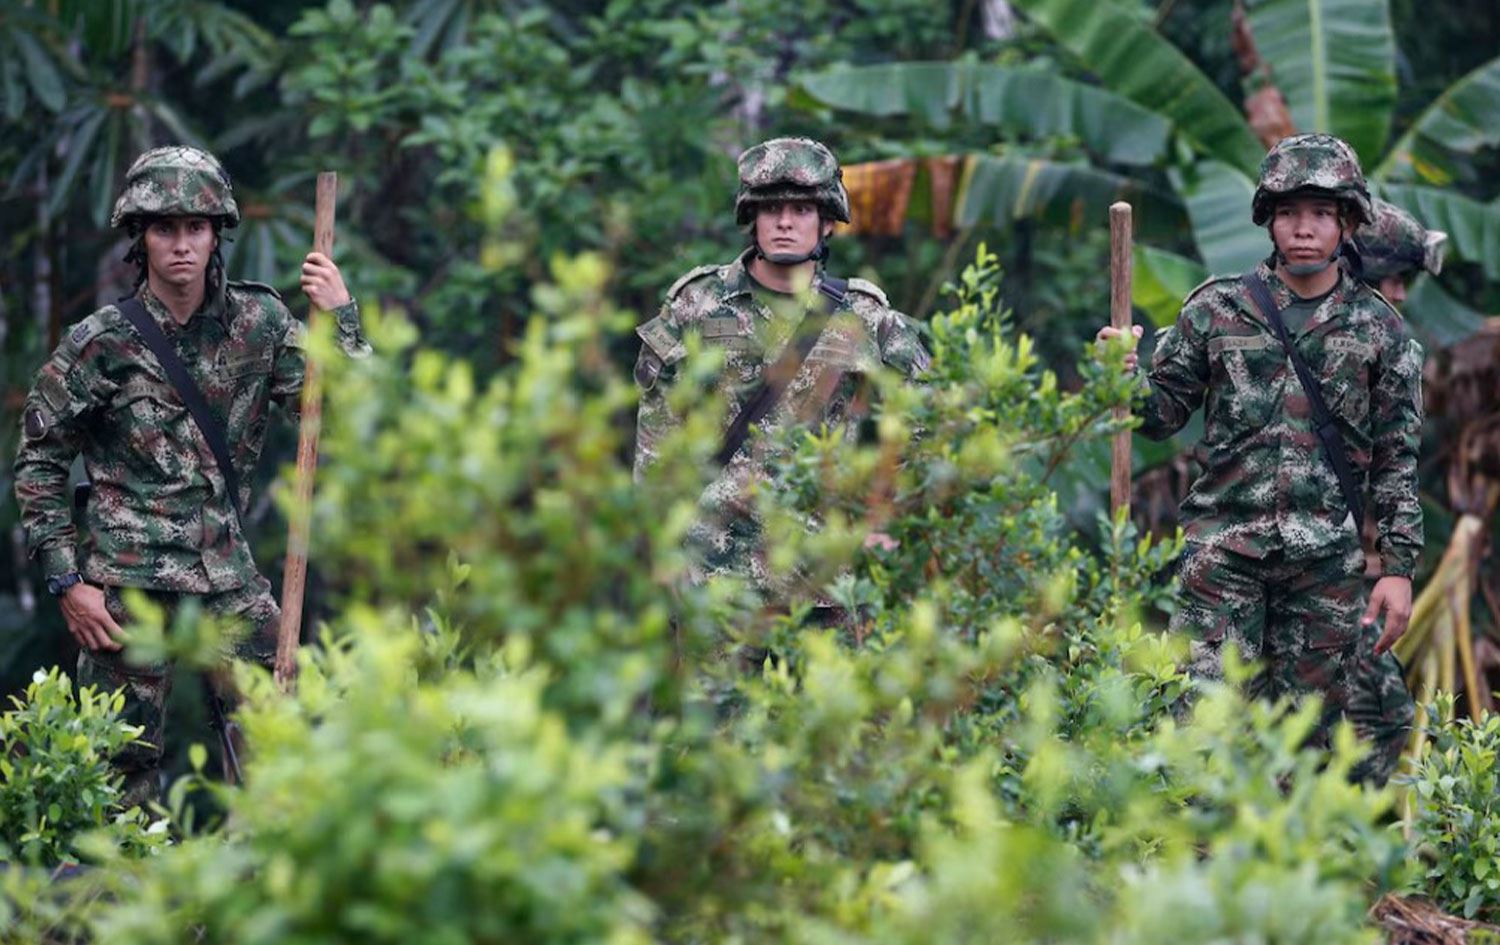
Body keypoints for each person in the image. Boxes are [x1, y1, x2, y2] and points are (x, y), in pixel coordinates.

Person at [13, 145, 370, 804]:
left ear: (216, 235)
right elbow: (39, 458)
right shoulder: (100, 343)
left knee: (282, 750)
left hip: (225, 578)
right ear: (139, 237)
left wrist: (340, 316)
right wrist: (66, 580)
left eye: (195, 228)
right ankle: (120, 901)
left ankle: (257, 895)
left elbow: (350, 414)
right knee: (111, 780)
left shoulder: (259, 324)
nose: (181, 244)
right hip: (127, 591)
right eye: (164, 228)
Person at [1097, 133, 1424, 783]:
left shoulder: (1380, 330)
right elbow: (1158, 414)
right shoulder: (1216, 309)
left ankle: (1304, 872)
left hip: (1325, 563)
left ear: (1348, 223)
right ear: (1268, 219)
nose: (1304, 228)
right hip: (1224, 555)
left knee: (1316, 735)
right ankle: (1195, 867)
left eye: (1322, 214)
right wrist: (1120, 376)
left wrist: (1399, 568)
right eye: (1290, 212)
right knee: (1203, 721)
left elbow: (1396, 459)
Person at [632, 136, 929, 613]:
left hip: (829, 578)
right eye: (771, 210)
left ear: (828, 222)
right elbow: (659, 436)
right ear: (753, 218)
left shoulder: (866, 316)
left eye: (801, 210)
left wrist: (886, 522)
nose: (785, 222)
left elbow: (920, 424)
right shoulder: (697, 304)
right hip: (715, 574)